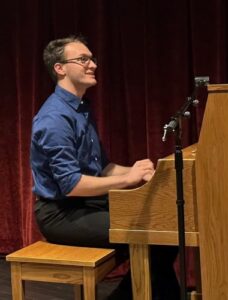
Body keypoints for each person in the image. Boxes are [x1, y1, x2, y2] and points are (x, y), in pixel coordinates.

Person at [30, 35, 180, 300]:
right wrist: (127, 179)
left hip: (89, 204)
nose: (93, 65)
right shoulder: (54, 118)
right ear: (60, 68)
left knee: (167, 223)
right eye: (83, 59)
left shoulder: (80, 109)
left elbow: (103, 167)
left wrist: (136, 171)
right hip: (61, 214)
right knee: (153, 233)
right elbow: (72, 184)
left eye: (92, 59)